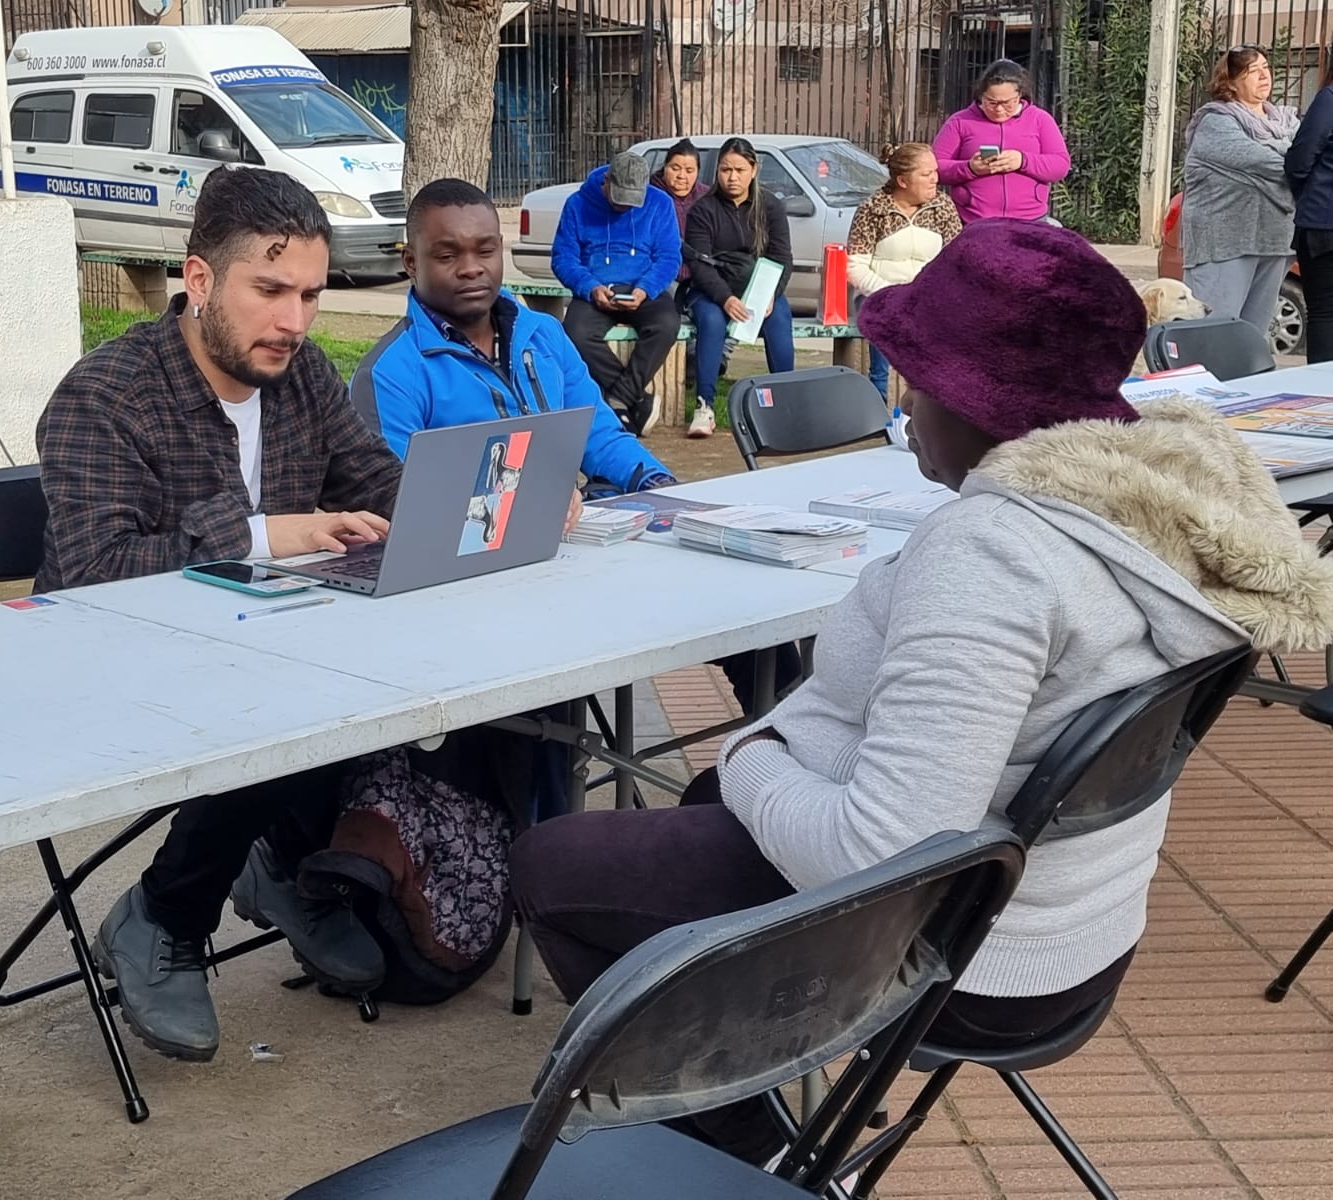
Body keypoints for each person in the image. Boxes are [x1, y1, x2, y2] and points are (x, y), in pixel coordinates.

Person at [509, 219, 1333, 1164]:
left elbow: (879, 850)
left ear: (967, 396)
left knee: (555, 865)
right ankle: (769, 1089)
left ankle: (754, 1151)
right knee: (697, 814)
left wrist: (750, 753)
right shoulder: (1156, 511)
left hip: (963, 952)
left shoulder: (994, 554)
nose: (900, 399)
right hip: (1073, 927)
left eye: (911, 373)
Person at [34, 167, 404, 1063]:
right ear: (199, 281)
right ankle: (166, 913)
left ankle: (287, 864)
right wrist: (265, 534)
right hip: (114, 661)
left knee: (405, 668)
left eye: (312, 295)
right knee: (281, 697)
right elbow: (94, 573)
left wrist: (492, 497)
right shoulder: (106, 394)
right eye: (270, 290)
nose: (296, 321)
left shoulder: (301, 373)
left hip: (265, 644)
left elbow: (375, 481)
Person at [350, 177, 674, 499]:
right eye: (447, 256)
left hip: (567, 539)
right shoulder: (389, 375)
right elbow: (401, 500)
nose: (471, 269)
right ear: (411, 262)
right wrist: (533, 502)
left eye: (486, 251)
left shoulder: (545, 336)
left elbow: (598, 434)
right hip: (462, 543)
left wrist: (659, 483)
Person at [551, 151, 684, 437]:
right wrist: (590, 287)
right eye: (620, 197)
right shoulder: (577, 204)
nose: (625, 206)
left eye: (632, 199)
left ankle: (619, 398)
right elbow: (563, 257)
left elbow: (669, 257)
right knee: (574, 332)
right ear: (607, 182)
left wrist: (645, 289)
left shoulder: (660, 203)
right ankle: (634, 400)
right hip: (596, 286)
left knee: (667, 324)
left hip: (643, 287)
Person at [1181, 46, 1299, 338]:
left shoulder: (1285, 121)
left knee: (1251, 340)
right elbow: (1271, 161)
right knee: (1212, 336)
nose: (1263, 75)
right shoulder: (1215, 121)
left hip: (1274, 240)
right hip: (1225, 243)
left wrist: (1298, 156)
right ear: (1230, 82)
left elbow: (1306, 159)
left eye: (1266, 67)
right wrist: (1296, 155)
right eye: (1251, 70)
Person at [682, 137, 794, 439]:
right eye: (725, 170)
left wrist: (772, 292)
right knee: (711, 320)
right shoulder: (703, 210)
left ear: (754, 169)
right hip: (711, 289)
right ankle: (704, 405)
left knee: (780, 317)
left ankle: (787, 402)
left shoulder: (770, 206)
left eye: (740, 170)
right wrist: (725, 298)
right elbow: (700, 264)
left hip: (759, 287)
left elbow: (782, 257)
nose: (732, 177)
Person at [845, 141, 963, 398]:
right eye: (926, 174)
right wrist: (891, 293)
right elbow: (854, 266)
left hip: (928, 296)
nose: (935, 179)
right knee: (887, 318)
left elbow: (955, 261)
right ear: (903, 181)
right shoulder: (872, 210)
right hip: (879, 293)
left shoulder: (943, 207)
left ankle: (935, 406)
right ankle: (880, 403)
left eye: (935, 171)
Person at [932, 59, 1069, 224]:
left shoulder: (1040, 119)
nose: (999, 109)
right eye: (991, 102)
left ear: (1020, 96)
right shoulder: (960, 121)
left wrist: (1023, 161)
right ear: (981, 96)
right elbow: (935, 167)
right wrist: (969, 168)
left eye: (1007, 103)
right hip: (973, 220)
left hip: (1030, 219)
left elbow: (1060, 165)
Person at [1286, 66, 1333, 361]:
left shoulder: (1329, 99)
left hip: (1322, 221)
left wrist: (1301, 192)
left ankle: (1322, 396)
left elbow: (1299, 160)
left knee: (1324, 313)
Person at [650, 138, 710, 306]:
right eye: (675, 168)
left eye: (689, 170)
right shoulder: (650, 195)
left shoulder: (706, 197)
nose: (682, 176)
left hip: (699, 278)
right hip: (660, 277)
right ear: (665, 167)